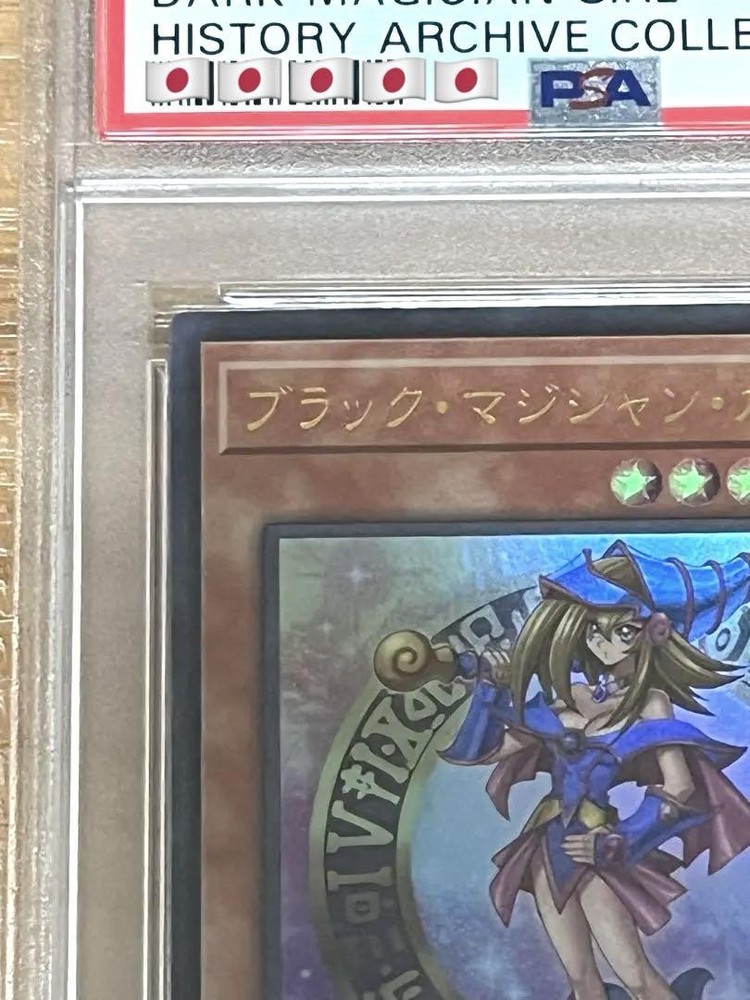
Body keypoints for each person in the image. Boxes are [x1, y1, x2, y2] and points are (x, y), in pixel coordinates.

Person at [374, 541, 750, 1000]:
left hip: (596, 844)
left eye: (622, 630)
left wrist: (618, 841)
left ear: (653, 630)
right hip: (546, 844)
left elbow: (679, 787)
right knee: (580, 980)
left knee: (636, 977)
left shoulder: (650, 703)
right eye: (593, 629)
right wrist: (489, 690)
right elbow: (486, 751)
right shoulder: (567, 697)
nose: (604, 642)